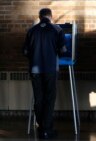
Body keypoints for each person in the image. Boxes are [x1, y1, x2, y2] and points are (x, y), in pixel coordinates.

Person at [23, 8, 66, 139]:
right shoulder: (57, 29)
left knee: (38, 98)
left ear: (39, 16)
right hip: (51, 69)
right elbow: (63, 50)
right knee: (49, 98)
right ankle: (46, 130)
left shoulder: (31, 30)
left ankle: (42, 127)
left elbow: (25, 51)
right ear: (51, 16)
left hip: (35, 70)